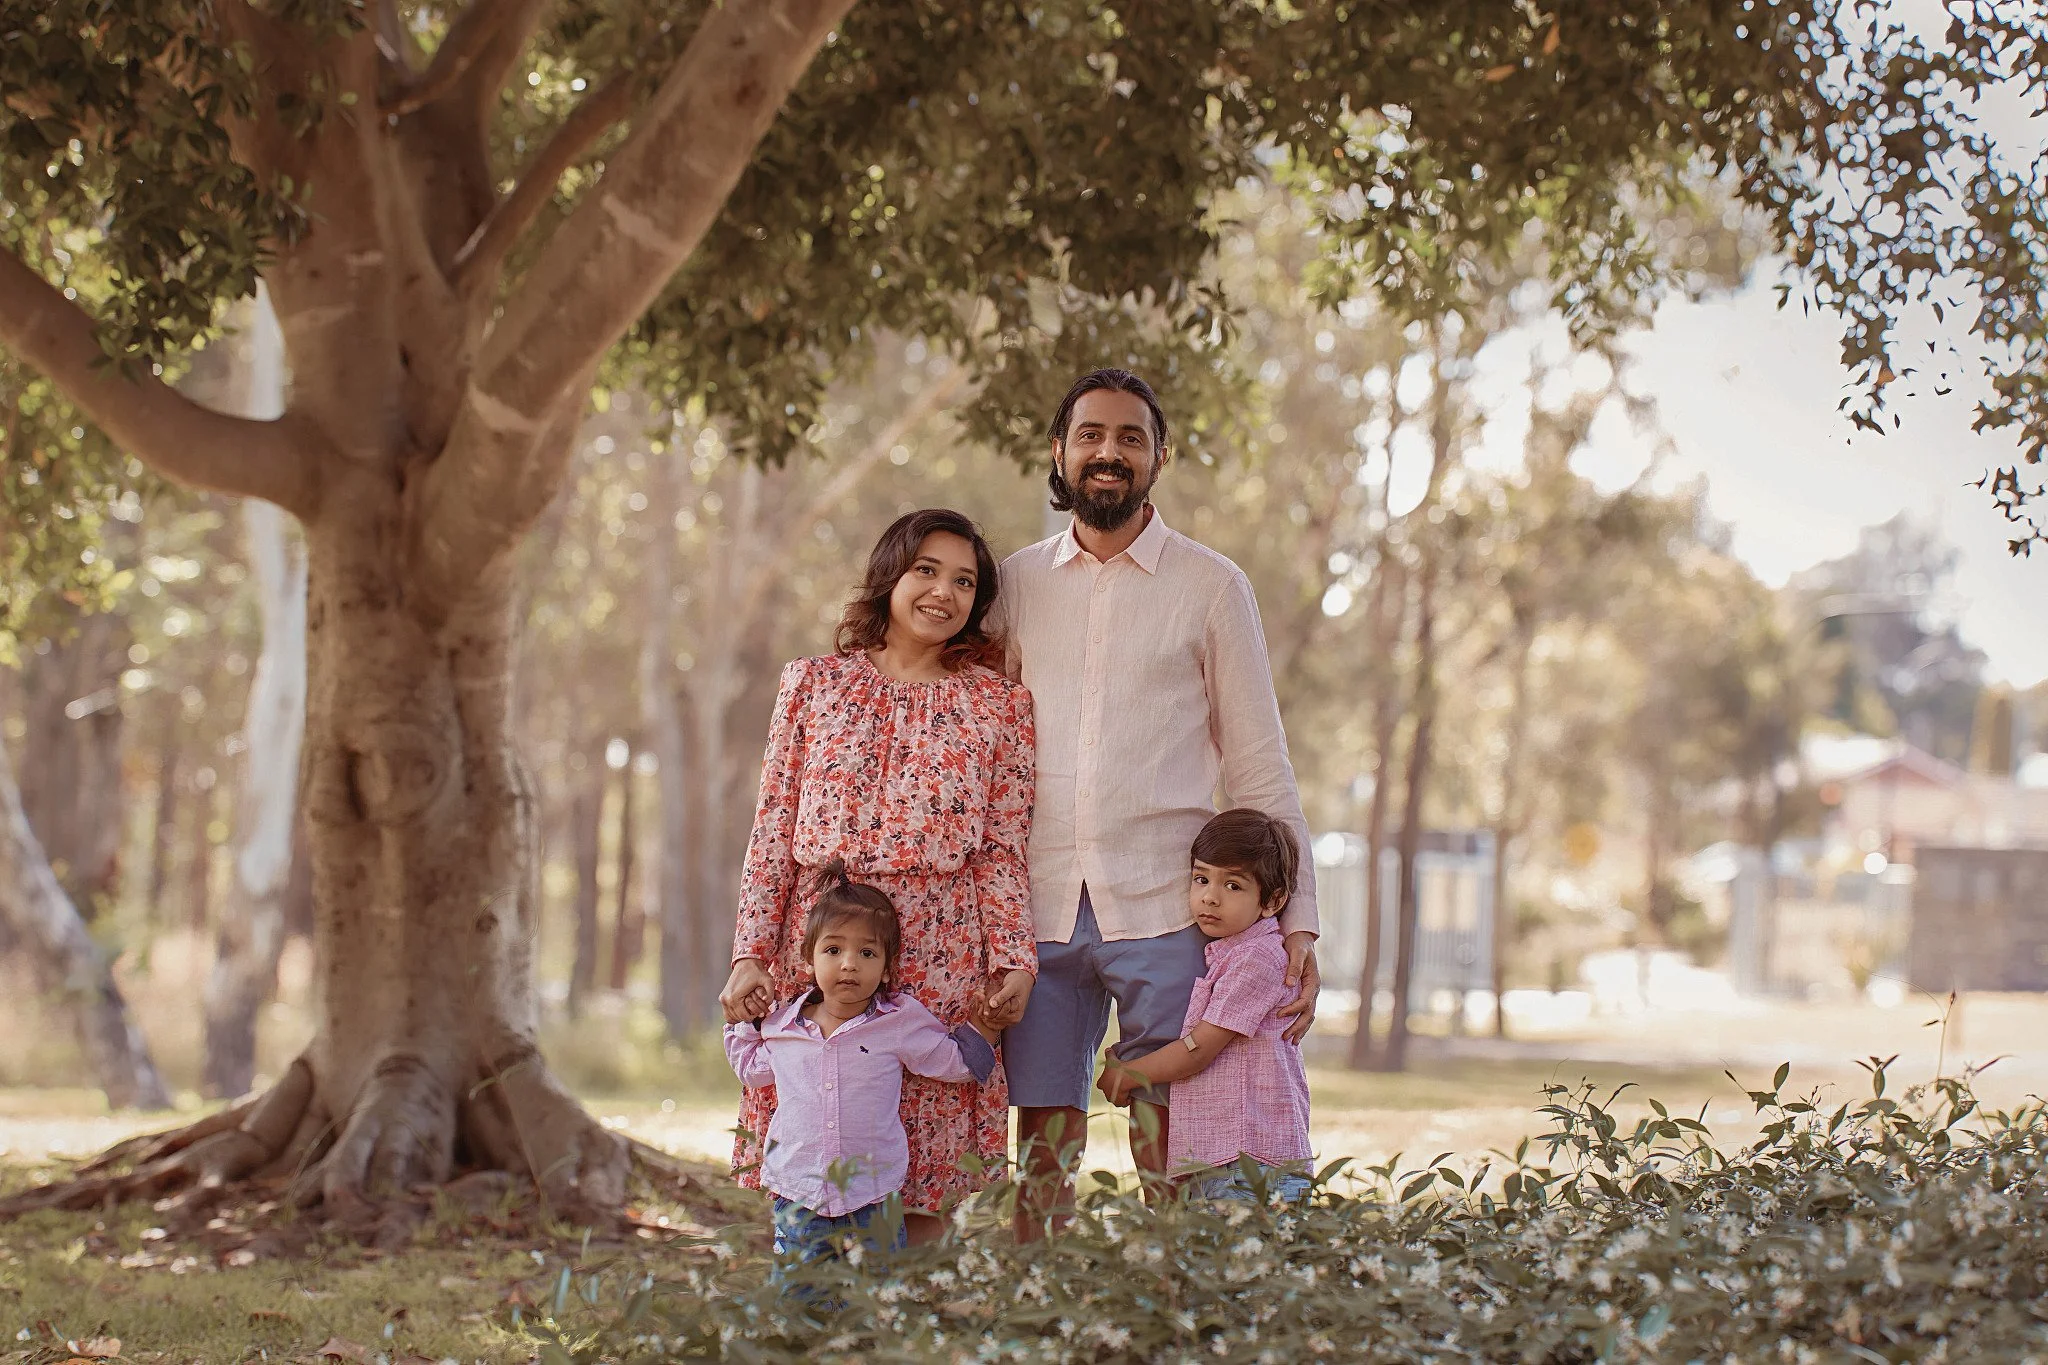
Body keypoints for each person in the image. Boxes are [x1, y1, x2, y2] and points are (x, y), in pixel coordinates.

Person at [990, 368, 1321, 1238]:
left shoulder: (1213, 586)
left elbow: (1259, 766)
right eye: (1091, 435)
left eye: (1130, 437)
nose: (1109, 452)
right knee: (1044, 1138)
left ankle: (1172, 1296)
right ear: (1059, 454)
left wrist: (1299, 926)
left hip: (1169, 907)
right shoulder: (1016, 585)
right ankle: (1043, 1304)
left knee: (1172, 1135)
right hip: (1041, 900)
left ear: (1159, 458)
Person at [719, 508, 1037, 1245]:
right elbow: (771, 830)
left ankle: (902, 1318)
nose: (943, 591)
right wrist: (748, 953)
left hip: (940, 947)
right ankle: (812, 1315)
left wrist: (1014, 957)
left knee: (926, 1154)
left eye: (964, 580)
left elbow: (1000, 846)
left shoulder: (1000, 703)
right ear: (890, 572)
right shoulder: (811, 685)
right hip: (822, 940)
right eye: (927, 569)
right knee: (817, 1131)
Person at [726, 863, 1003, 1266]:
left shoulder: (896, 1022)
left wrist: (985, 1026)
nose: (849, 964)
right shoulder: (783, 1027)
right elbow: (750, 1068)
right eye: (833, 950)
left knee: (876, 1299)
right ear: (809, 960)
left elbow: (954, 1063)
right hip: (799, 1192)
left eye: (867, 952)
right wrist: (744, 1022)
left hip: (873, 1196)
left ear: (888, 968)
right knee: (800, 1295)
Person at [1097, 809, 1314, 1202]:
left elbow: (1199, 1049)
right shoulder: (1230, 954)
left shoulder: (1259, 959)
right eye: (1201, 879)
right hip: (1220, 1159)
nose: (1210, 896)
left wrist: (1128, 1073)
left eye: (1233, 885)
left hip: (1250, 1163)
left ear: (1273, 900)